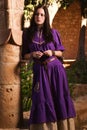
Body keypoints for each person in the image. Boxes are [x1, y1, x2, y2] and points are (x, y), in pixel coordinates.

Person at [22, 4, 76, 130]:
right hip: (40, 70)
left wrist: (51, 52)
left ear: (45, 17)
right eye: (36, 14)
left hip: (56, 69)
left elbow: (60, 52)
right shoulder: (27, 34)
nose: (38, 17)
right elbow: (24, 54)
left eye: (42, 14)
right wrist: (32, 54)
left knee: (59, 97)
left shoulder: (53, 33)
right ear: (33, 16)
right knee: (41, 98)